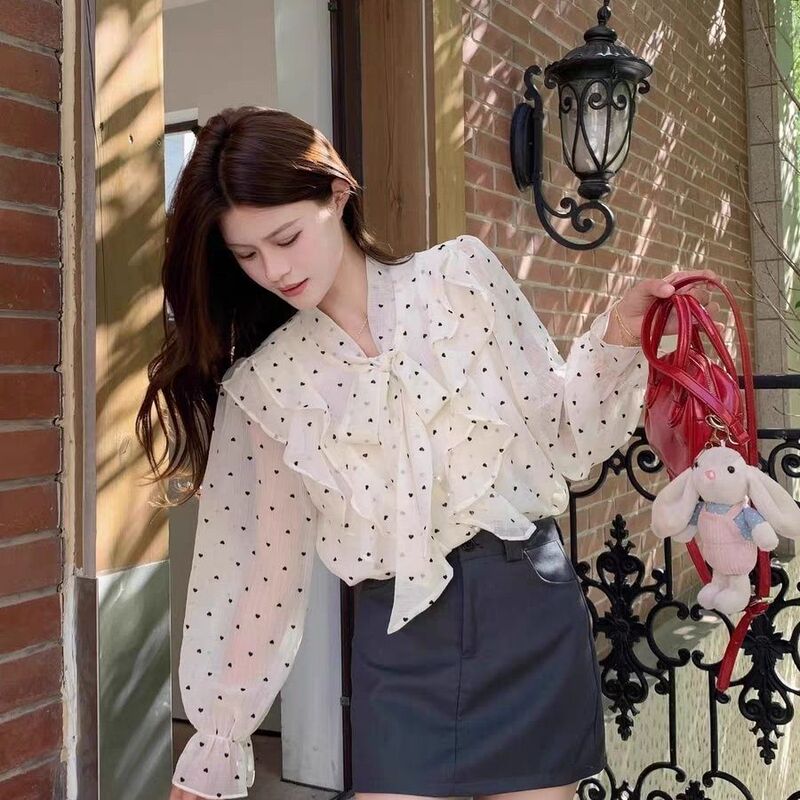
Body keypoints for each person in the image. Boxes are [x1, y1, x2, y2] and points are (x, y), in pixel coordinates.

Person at [136, 105, 722, 800]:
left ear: (338, 193)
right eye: (247, 255)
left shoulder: (460, 278)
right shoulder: (268, 385)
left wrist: (620, 333)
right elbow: (264, 571)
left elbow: (564, 435)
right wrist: (218, 741)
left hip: (527, 613)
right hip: (398, 644)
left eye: (286, 237)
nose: (274, 269)